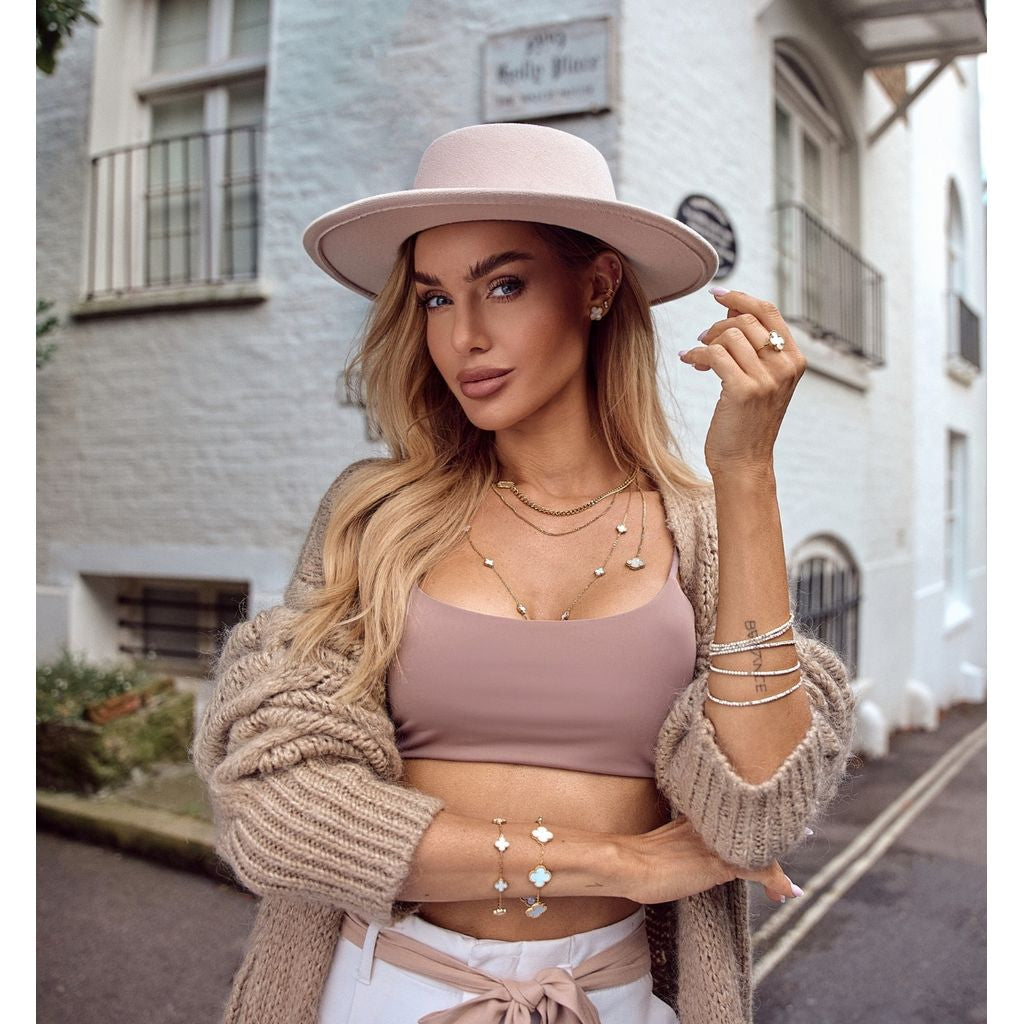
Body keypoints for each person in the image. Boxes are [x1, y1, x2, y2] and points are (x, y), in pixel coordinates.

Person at [192, 122, 856, 1024]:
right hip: (380, 991)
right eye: (434, 300)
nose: (464, 336)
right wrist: (618, 861)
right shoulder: (374, 517)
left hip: (612, 1002)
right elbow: (281, 806)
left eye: (504, 285)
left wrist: (746, 473)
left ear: (597, 284)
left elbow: (755, 817)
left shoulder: (697, 528)